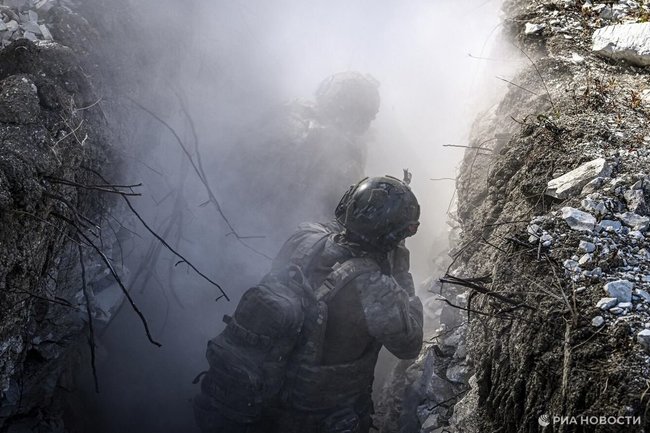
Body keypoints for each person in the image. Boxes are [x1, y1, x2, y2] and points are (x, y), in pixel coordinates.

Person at [193, 176, 423, 433]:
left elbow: (339, 234)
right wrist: (401, 269)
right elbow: (410, 344)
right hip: (317, 420)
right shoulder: (374, 288)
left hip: (260, 404)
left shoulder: (304, 238)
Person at [224, 72, 381, 243]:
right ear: (348, 109)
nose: (367, 122)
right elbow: (343, 205)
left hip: (248, 212)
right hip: (269, 226)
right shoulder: (319, 137)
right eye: (365, 115)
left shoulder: (292, 111)